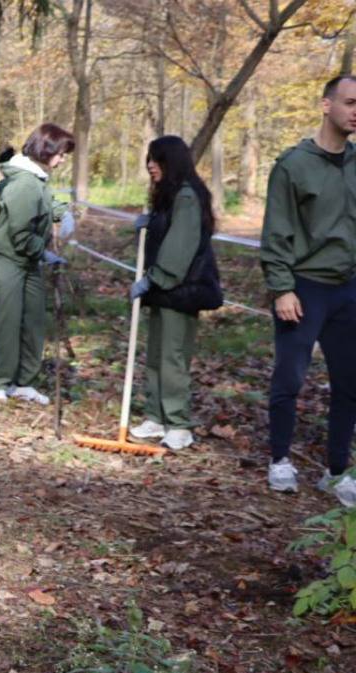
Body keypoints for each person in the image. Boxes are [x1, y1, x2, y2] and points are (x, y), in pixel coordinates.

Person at [261, 74, 356, 502]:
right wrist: (282, 288)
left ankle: (337, 471)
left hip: (349, 289)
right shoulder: (292, 165)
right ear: (326, 105)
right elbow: (276, 231)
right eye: (350, 103)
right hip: (304, 287)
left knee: (349, 383)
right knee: (289, 378)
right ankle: (280, 459)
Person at [127, 136, 221, 451]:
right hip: (162, 291)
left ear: (172, 162)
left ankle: (179, 424)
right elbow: (165, 232)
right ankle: (156, 416)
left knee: (172, 357)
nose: (151, 166)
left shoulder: (187, 197)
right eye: (149, 160)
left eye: (157, 160)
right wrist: (151, 223)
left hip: (180, 290)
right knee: (155, 355)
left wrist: (153, 279)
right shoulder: (169, 196)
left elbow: (180, 246)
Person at [0, 123, 75, 404]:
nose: (62, 160)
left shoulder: (37, 179)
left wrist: (63, 212)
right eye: (60, 154)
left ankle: (24, 382)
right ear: (45, 149)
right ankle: (0, 383)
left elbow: (44, 204)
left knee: (33, 320)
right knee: (9, 322)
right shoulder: (23, 182)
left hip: (29, 261)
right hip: (10, 260)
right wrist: (44, 252)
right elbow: (20, 233)